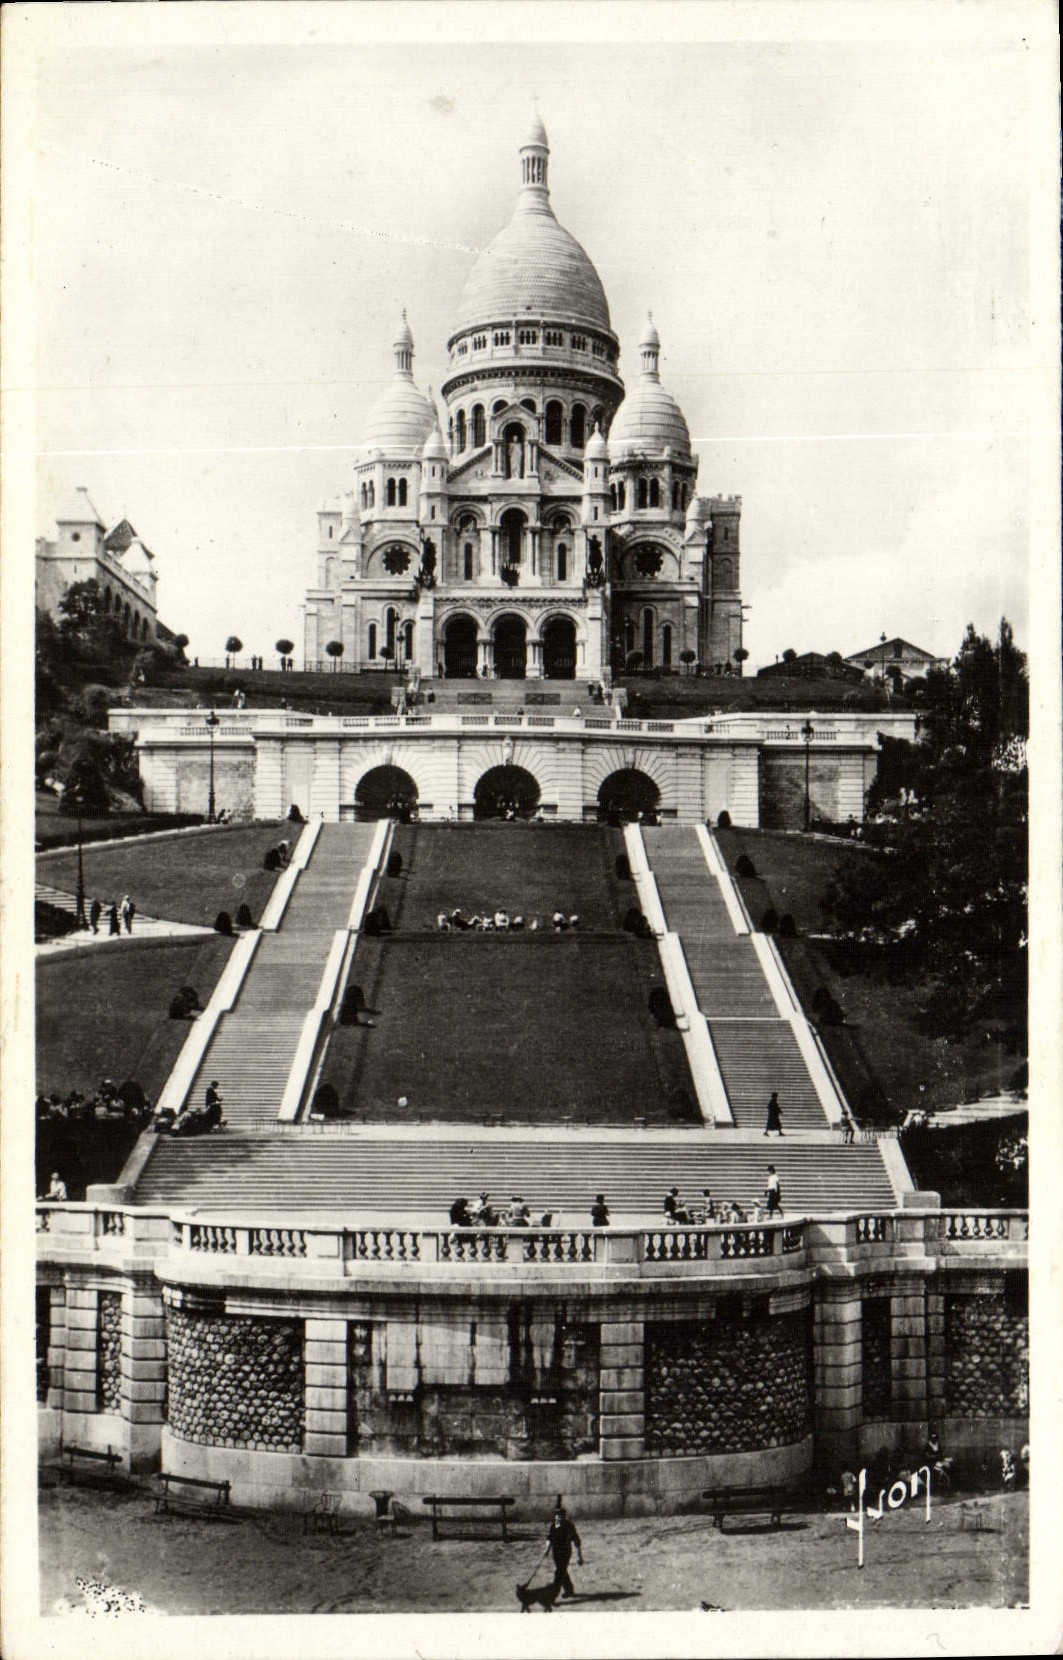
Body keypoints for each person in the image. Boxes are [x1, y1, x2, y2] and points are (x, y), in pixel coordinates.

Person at [546, 1500, 583, 1600]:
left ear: (564, 1515)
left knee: (559, 1572)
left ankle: (553, 1593)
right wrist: (547, 1549)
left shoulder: (569, 1525)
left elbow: (576, 1541)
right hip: (556, 1552)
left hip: (565, 1552)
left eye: (559, 1515)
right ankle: (569, 1589)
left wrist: (579, 1556)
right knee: (562, 1571)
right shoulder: (554, 1525)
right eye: (556, 1515)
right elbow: (550, 1538)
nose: (557, 1517)